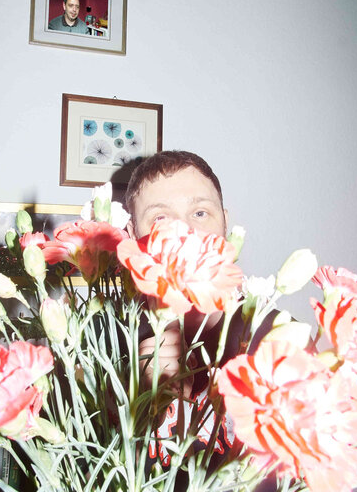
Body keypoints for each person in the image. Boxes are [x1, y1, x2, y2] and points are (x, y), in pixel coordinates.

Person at [124, 151, 278, 489]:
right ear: (132, 235)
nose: (186, 232)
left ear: (225, 223)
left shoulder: (277, 340)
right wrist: (140, 401)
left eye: (199, 212)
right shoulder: (109, 341)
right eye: (161, 218)